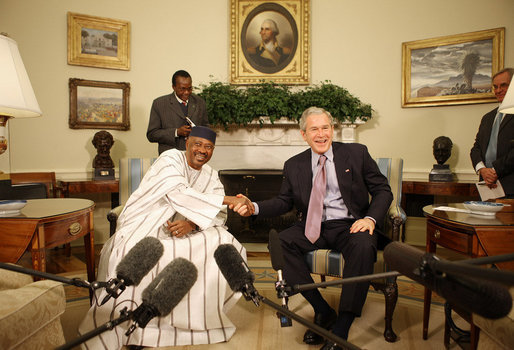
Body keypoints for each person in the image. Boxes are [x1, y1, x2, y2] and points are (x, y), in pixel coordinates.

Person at [79, 126, 253, 349]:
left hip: (185, 226)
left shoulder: (210, 174)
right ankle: (134, 325)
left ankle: (196, 321)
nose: (202, 150)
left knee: (223, 243)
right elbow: (177, 192)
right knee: (137, 252)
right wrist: (231, 200)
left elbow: (218, 212)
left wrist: (191, 224)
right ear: (187, 143)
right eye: (198, 144)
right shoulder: (169, 158)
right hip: (146, 222)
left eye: (208, 147)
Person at [238, 107, 393, 350]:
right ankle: (322, 310)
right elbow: (284, 202)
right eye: (314, 129)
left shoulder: (356, 153)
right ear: (304, 135)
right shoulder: (294, 165)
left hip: (350, 224)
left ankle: (341, 328)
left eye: (325, 128)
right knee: (280, 241)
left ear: (332, 130)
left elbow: (383, 190)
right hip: (313, 225)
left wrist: (370, 219)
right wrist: (254, 207)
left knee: (364, 244)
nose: (321, 134)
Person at [470, 68, 514, 197]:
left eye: (503, 85)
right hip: (486, 187)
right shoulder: (487, 117)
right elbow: (476, 148)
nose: (498, 90)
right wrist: (482, 170)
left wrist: (494, 170)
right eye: (495, 87)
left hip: (510, 187)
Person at [147, 70, 209, 154]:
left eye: (189, 88)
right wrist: (176, 132)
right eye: (182, 89)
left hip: (195, 156)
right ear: (174, 87)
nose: (186, 92)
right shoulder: (159, 104)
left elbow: (206, 128)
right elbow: (152, 134)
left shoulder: (200, 102)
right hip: (170, 157)